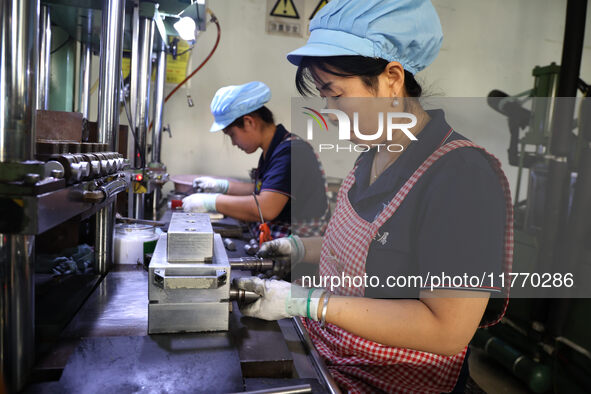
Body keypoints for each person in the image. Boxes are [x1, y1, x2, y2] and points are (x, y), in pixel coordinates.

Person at [235, 1, 513, 393]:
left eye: (335, 94)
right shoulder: (373, 154)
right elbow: (366, 251)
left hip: (390, 381)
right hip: (333, 355)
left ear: (392, 79)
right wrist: (298, 248)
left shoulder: (460, 176)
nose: (329, 110)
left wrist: (310, 302)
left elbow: (448, 328)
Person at [182, 81, 330, 239]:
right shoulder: (274, 149)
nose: (233, 143)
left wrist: (211, 202)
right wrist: (223, 187)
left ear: (249, 122)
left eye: (232, 134)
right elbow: (264, 189)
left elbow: (266, 207)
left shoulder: (292, 152)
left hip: (299, 249)